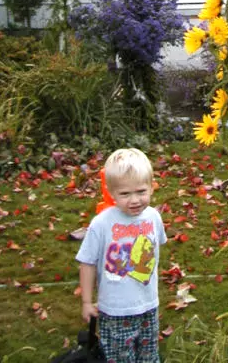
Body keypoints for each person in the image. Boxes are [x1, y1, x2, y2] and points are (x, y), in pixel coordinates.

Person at [76, 148, 166, 363]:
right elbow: (87, 262)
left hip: (148, 305)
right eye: (125, 194)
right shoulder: (102, 223)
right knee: (120, 357)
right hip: (115, 310)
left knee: (149, 355)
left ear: (152, 187)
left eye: (141, 191)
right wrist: (87, 302)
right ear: (111, 191)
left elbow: (155, 250)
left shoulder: (153, 217)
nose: (134, 200)